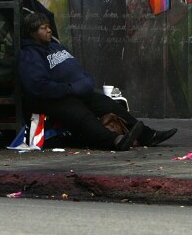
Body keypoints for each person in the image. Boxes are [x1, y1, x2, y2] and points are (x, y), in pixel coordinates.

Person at [19, 13, 177, 150]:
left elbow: (74, 67)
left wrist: (85, 81)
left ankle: (148, 136)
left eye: (48, 27)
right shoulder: (30, 54)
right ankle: (115, 141)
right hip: (56, 98)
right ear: (32, 33)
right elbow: (37, 86)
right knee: (82, 115)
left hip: (75, 91)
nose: (49, 30)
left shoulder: (54, 46)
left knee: (108, 104)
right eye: (43, 28)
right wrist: (69, 89)